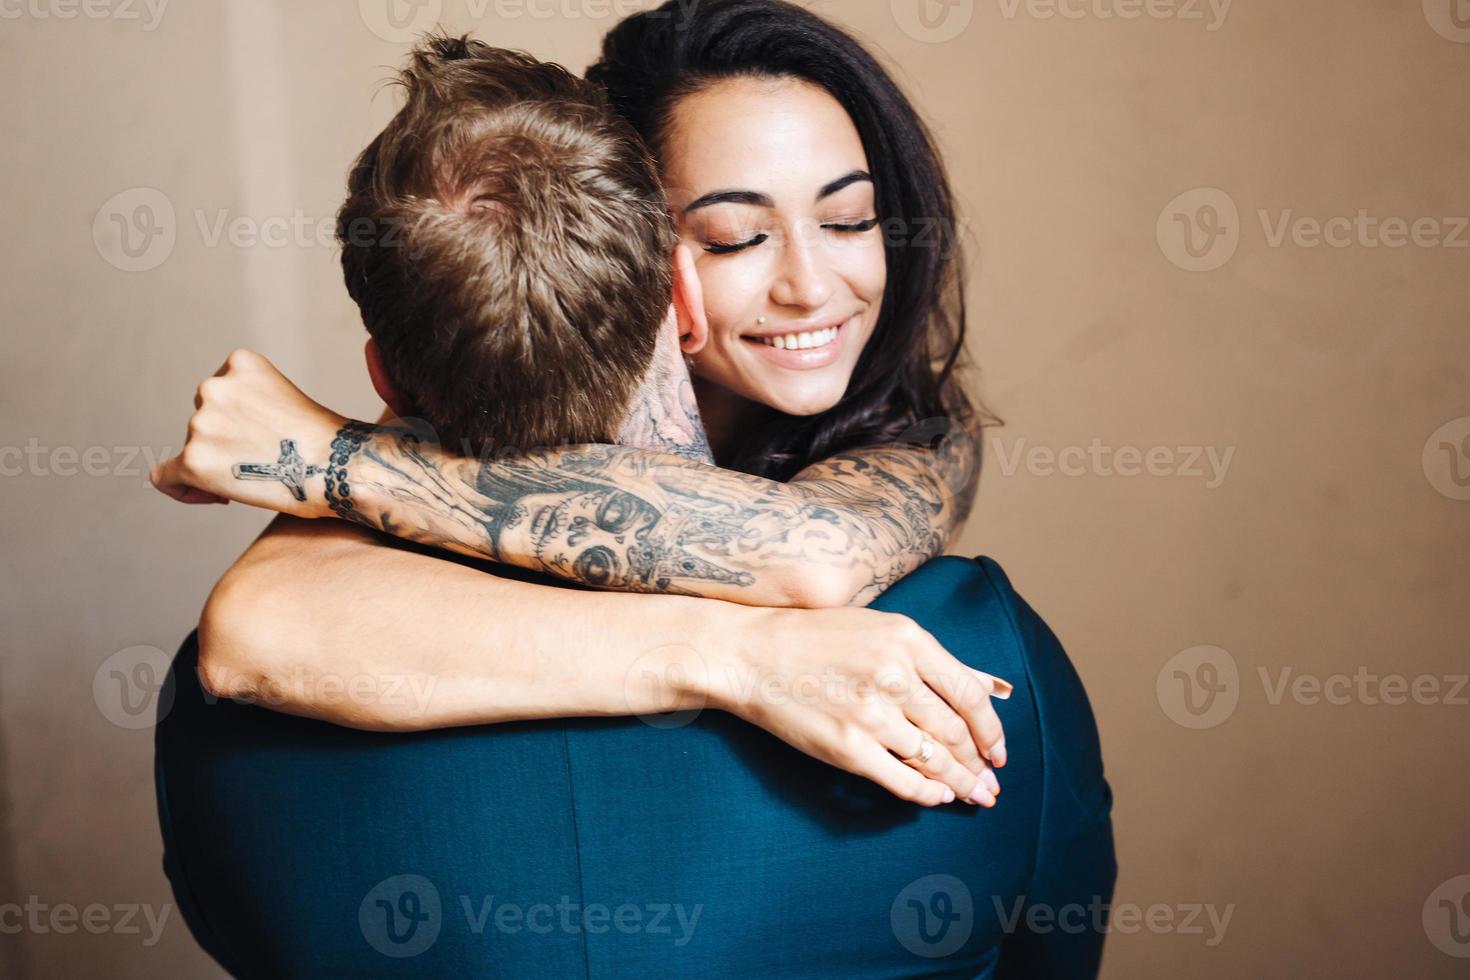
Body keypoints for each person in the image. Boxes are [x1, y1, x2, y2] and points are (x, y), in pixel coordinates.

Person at [153, 5, 1116, 975]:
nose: (813, 284)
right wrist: (740, 656)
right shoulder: (976, 660)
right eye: (737, 235)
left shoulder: (229, 714)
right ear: (656, 275)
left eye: (852, 218)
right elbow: (259, 626)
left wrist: (332, 452)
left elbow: (817, 548)